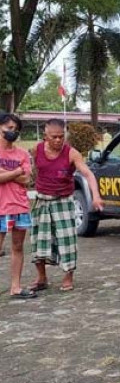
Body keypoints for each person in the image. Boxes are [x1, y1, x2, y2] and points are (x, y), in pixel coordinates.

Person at [30, 119, 104, 292]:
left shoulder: (72, 153)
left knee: (67, 240)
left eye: (61, 137)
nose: (58, 140)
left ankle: (68, 276)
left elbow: (88, 174)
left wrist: (96, 196)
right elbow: (31, 170)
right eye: (54, 137)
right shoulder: (37, 150)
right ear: (45, 136)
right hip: (42, 200)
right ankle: (41, 277)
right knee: (39, 240)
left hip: (63, 201)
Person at [0, 113, 35, 299]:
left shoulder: (22, 154)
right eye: (8, 128)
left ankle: (16, 287)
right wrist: (16, 171)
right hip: (1, 207)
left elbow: (27, 179)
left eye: (15, 129)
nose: (11, 132)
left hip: (20, 206)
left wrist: (6, 172)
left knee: (18, 247)